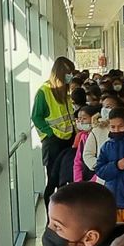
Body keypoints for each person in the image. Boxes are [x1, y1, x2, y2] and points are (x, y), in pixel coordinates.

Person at [35, 56, 78, 203]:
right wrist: (50, 133)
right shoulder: (44, 91)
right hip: (53, 142)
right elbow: (36, 117)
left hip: (68, 140)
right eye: (69, 73)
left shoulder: (65, 92)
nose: (71, 76)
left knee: (64, 179)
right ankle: (50, 218)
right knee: (52, 181)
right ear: (60, 72)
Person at [71, 105, 100, 184]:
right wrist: (78, 181)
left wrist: (91, 182)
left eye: (84, 118)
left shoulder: (99, 136)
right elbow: (77, 161)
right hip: (85, 179)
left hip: (98, 179)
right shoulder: (83, 137)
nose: (81, 122)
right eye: (79, 119)